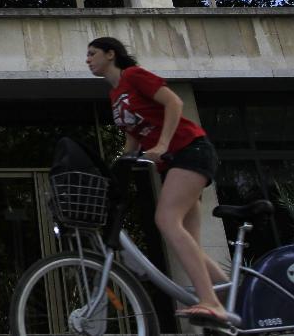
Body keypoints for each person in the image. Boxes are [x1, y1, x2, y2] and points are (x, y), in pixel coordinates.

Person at [85, 36, 231, 326]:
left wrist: (163, 144)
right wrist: (118, 171)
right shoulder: (115, 95)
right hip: (173, 163)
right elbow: (133, 137)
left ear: (111, 54)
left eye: (92, 53)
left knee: (166, 219)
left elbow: (174, 102)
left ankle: (211, 302)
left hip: (190, 150)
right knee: (189, 243)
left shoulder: (134, 76)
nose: (87, 59)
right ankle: (238, 299)